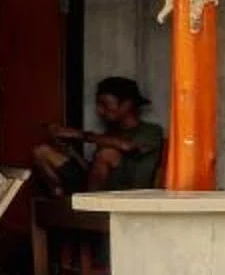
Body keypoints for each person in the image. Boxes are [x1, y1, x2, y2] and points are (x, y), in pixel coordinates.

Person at [34, 77, 166, 194]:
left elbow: (127, 146)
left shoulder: (151, 131)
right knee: (41, 151)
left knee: (107, 153)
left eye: (105, 104)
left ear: (126, 105)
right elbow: (92, 171)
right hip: (96, 188)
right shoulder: (110, 133)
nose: (100, 110)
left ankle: (89, 207)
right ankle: (58, 194)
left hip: (128, 192)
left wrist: (78, 134)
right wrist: (70, 149)